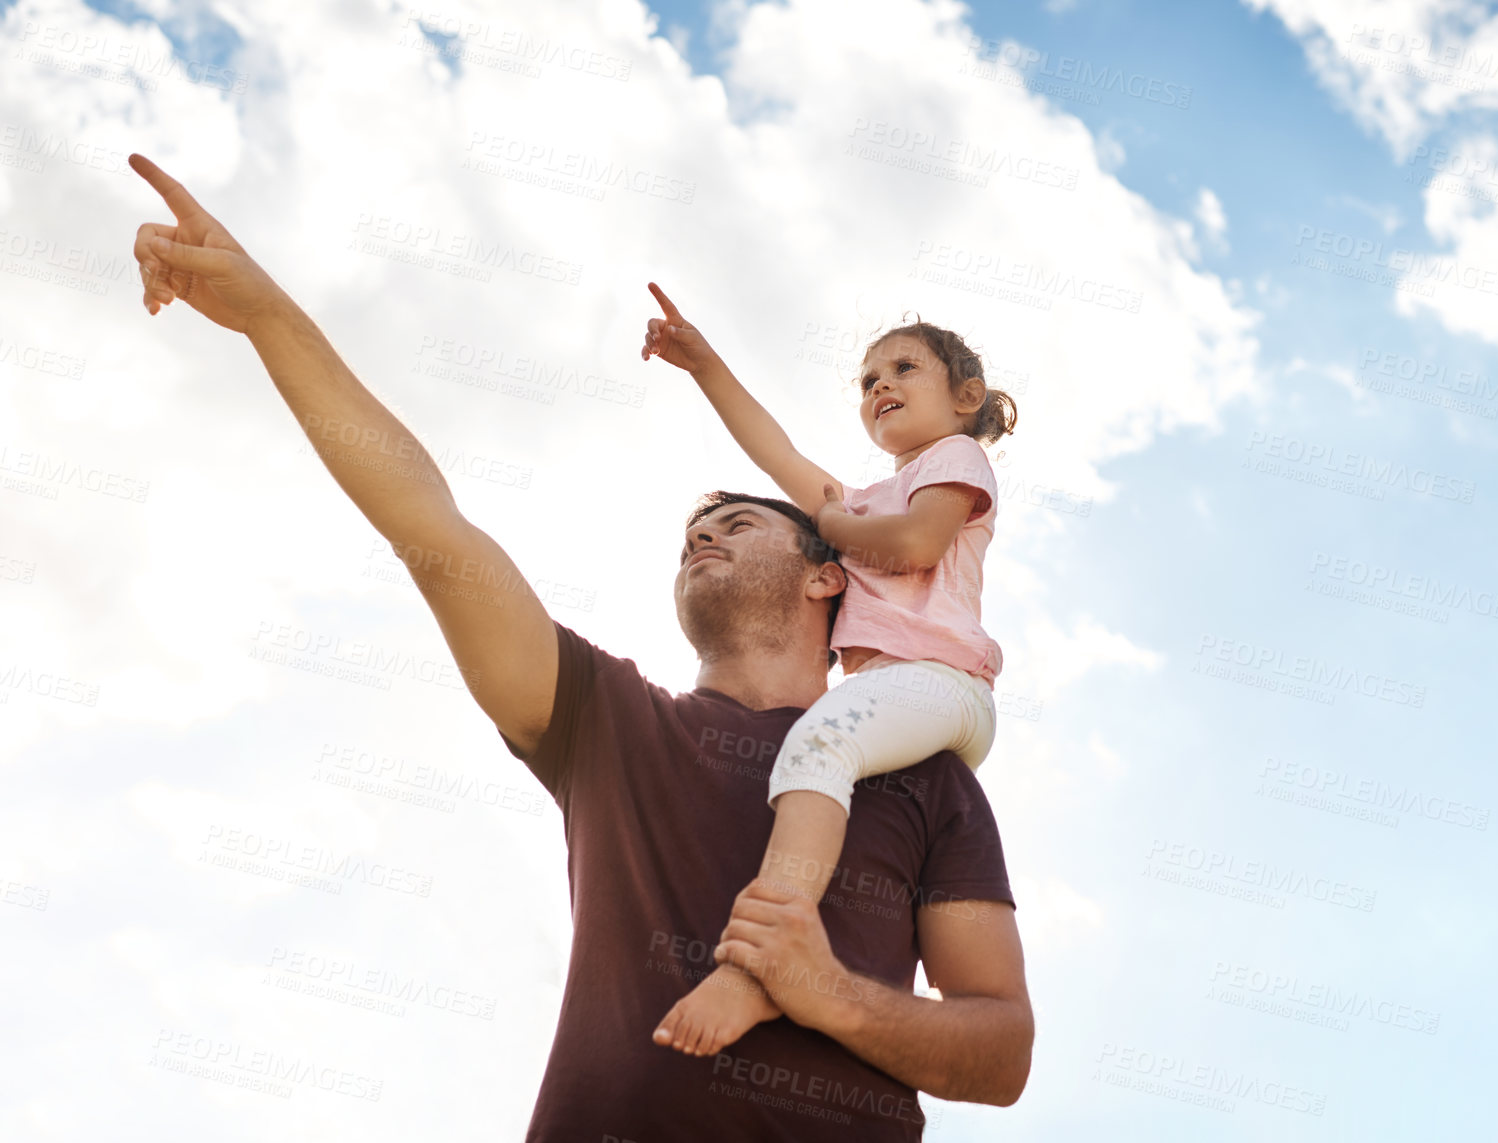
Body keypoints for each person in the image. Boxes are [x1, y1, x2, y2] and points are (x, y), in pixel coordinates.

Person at [125, 153, 1033, 1141]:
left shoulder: (921, 777)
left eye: (739, 521)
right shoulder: (608, 721)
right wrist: (267, 316)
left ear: (827, 572)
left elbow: (1000, 1053)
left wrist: (820, 991)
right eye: (695, 529)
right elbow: (429, 524)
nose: (704, 532)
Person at [639, 285, 1019, 1058]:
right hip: (898, 694)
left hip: (939, 680)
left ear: (965, 396)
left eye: (903, 369)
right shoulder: (860, 498)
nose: (879, 386)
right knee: (831, 763)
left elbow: (913, 544)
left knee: (816, 747)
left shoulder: (953, 457)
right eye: (866, 380)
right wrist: (702, 363)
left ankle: (754, 965)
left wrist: (836, 525)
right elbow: (771, 450)